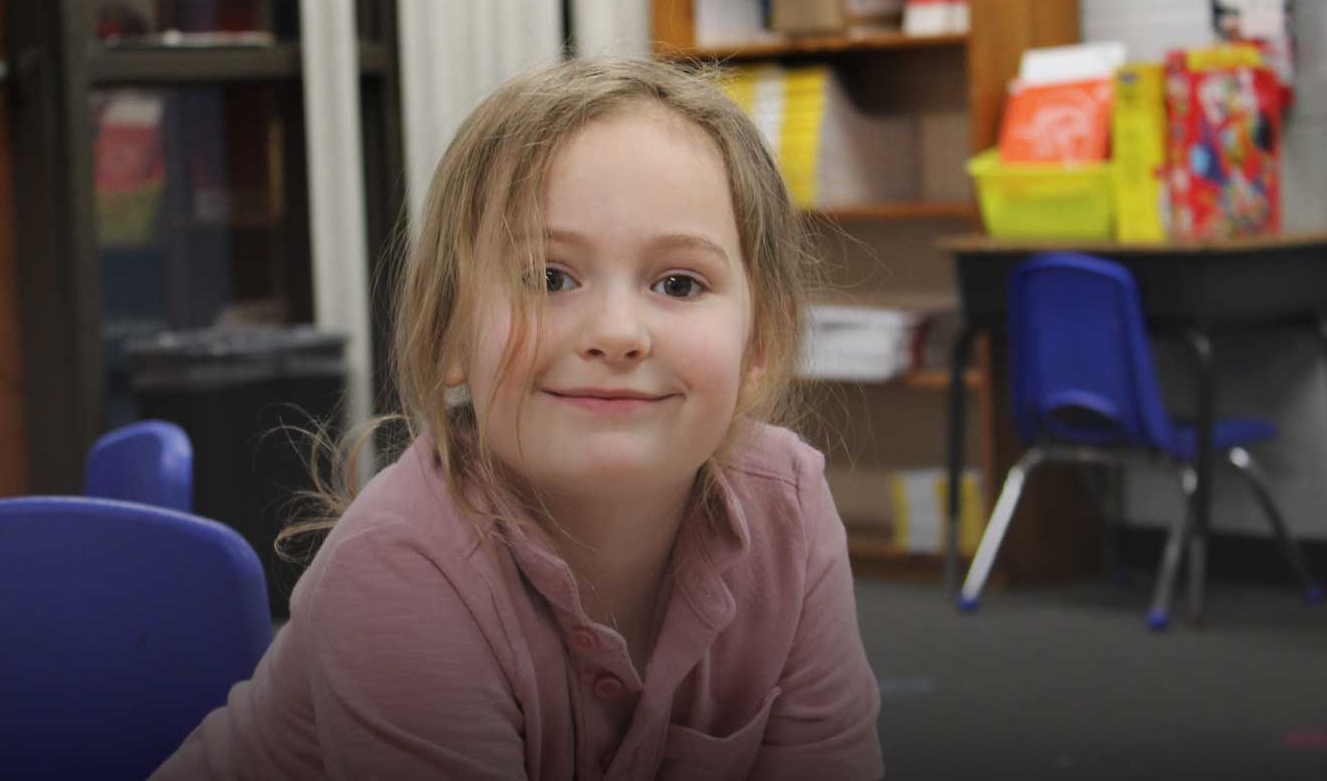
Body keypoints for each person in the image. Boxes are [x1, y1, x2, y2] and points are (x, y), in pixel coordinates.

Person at [153, 58, 883, 780]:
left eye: (679, 282)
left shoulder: (788, 502)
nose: (617, 331)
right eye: (548, 278)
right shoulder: (403, 566)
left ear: (762, 343)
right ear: (447, 334)